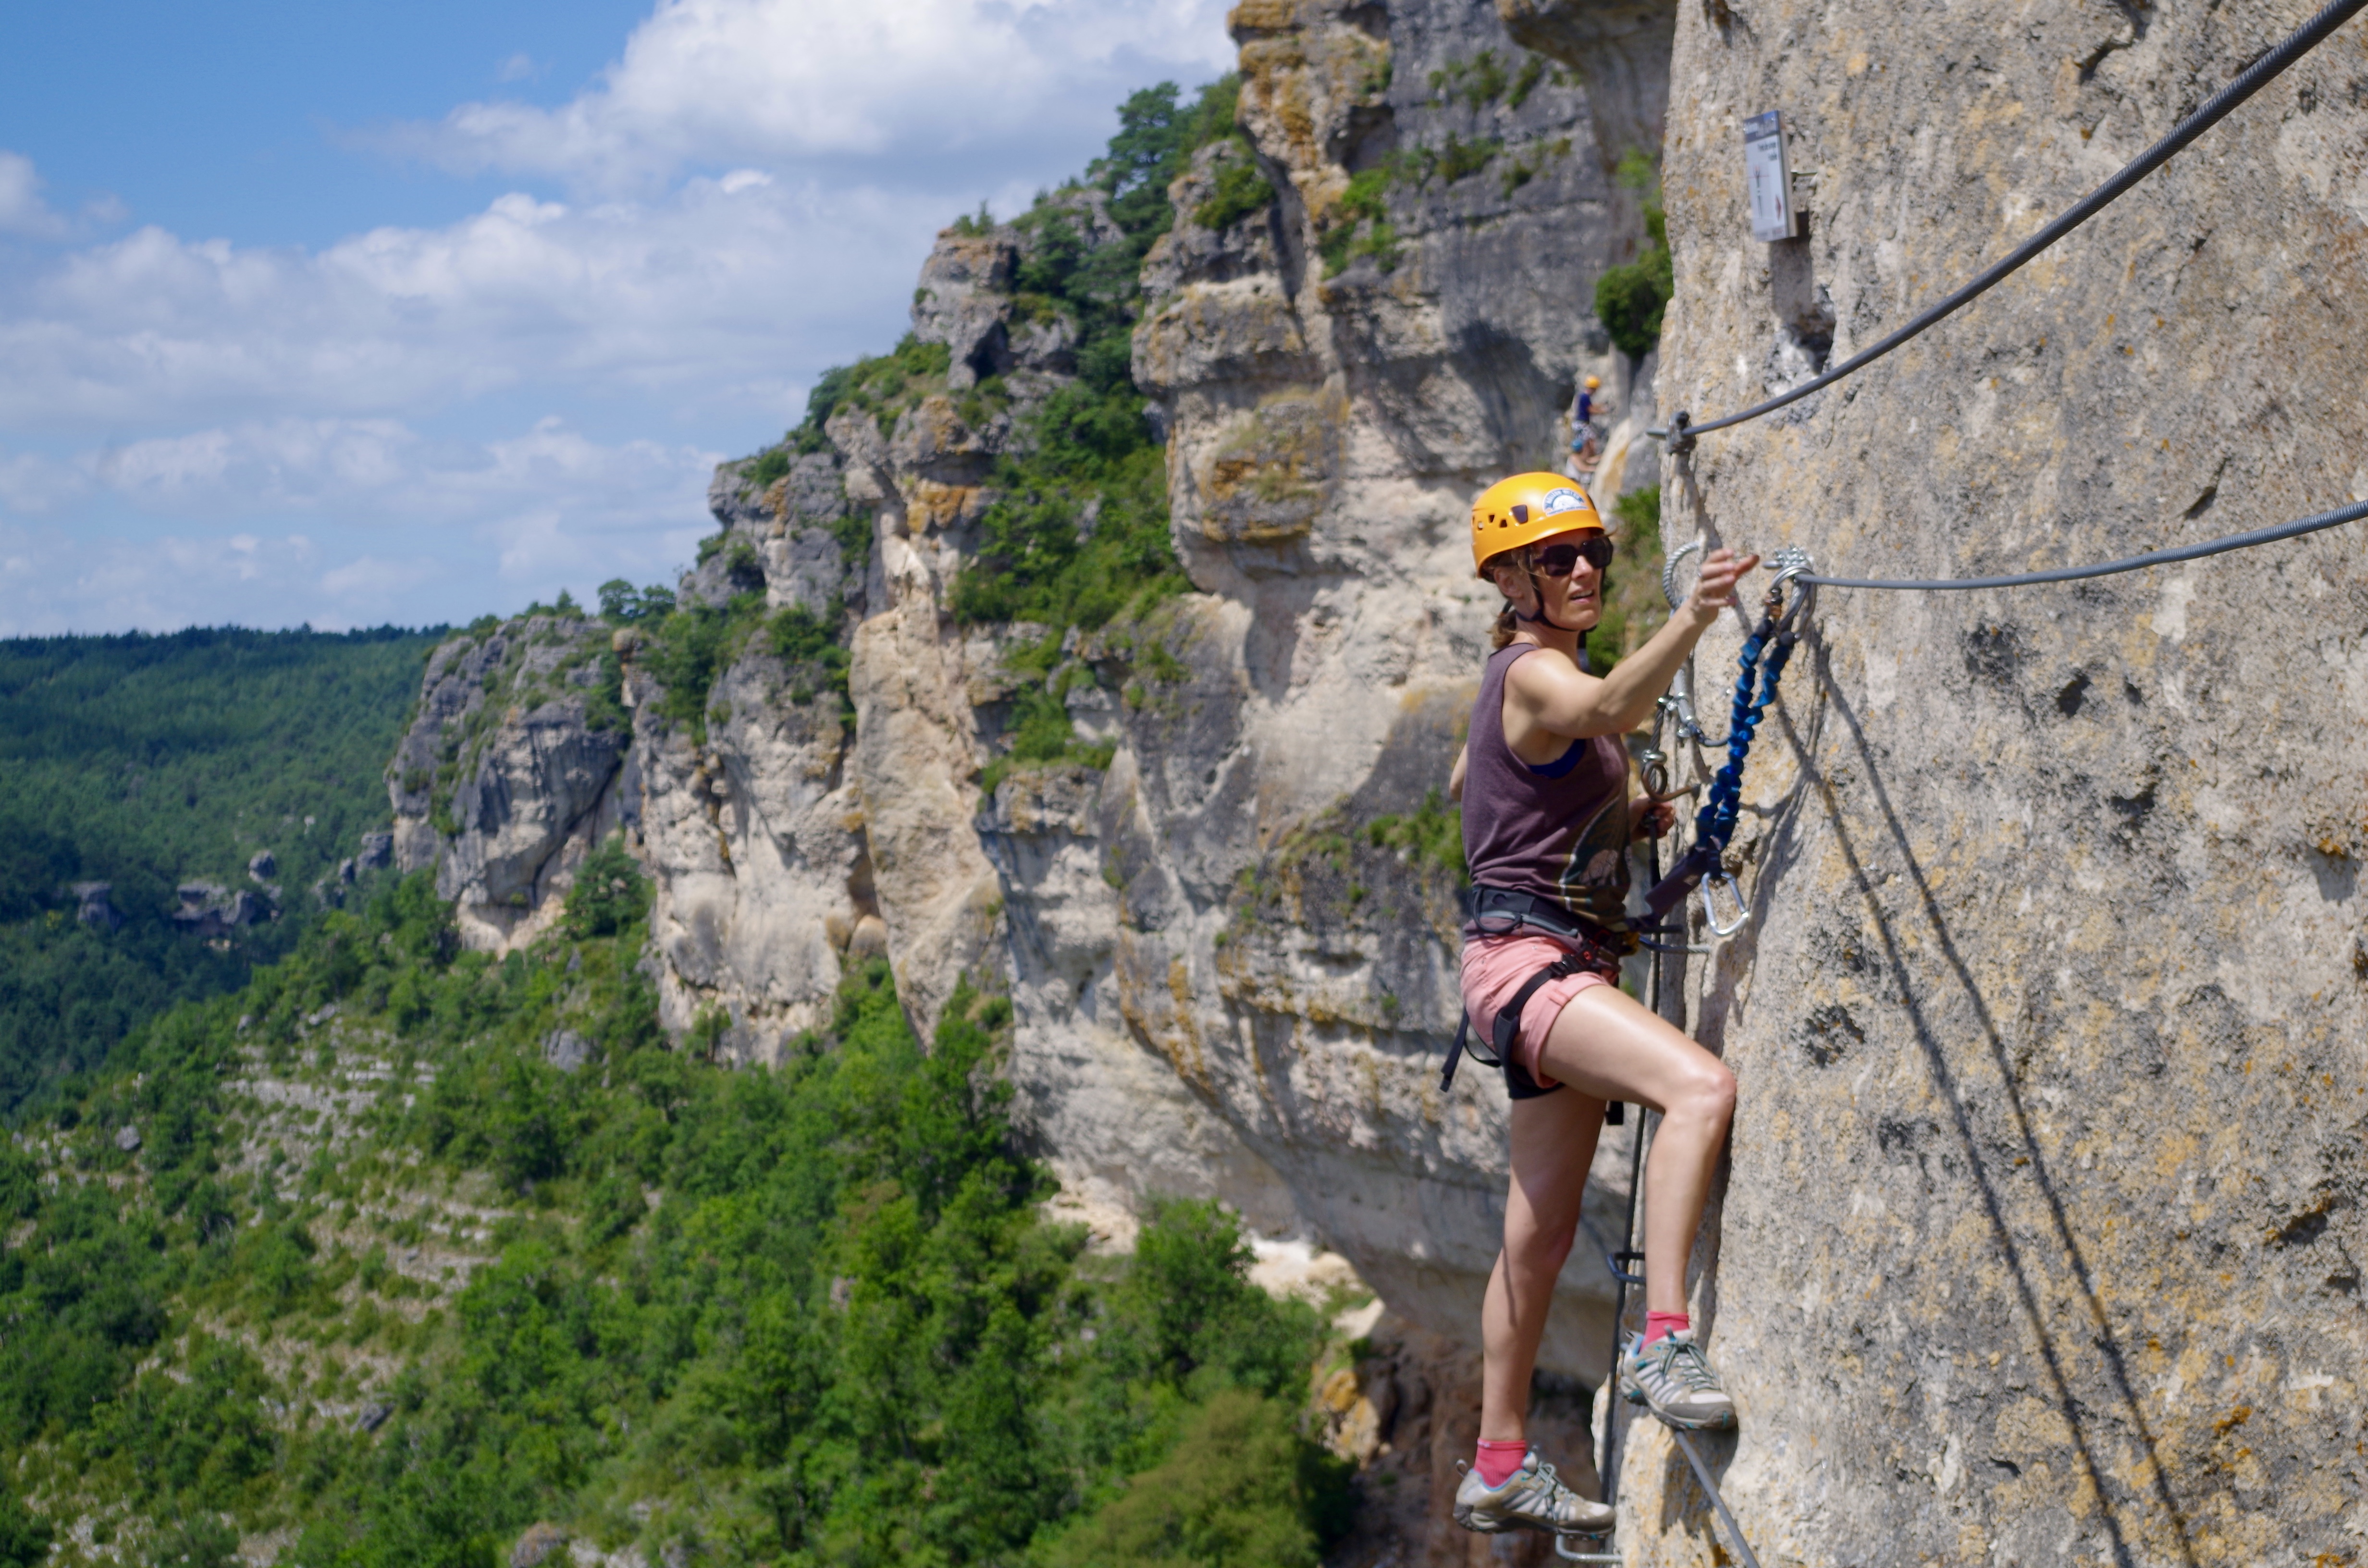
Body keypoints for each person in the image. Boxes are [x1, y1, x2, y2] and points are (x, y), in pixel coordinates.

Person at [1443, 472, 1760, 1540]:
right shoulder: (1533, 672)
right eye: (1554, 559)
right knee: (1700, 1088)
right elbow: (1610, 709)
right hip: (1534, 966)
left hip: (1532, 959)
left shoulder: (1527, 678)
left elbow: (1475, 787)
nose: (1581, 572)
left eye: (1592, 556)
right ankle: (1661, 1340)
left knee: (1537, 1241)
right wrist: (1695, 615)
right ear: (1508, 576)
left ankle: (1495, 1461)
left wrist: (1620, 819)